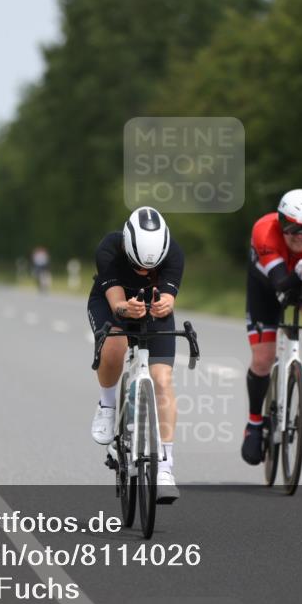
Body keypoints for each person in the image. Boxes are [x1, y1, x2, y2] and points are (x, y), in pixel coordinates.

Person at [87, 207, 184, 502]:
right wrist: (124, 309)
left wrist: (164, 304)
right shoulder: (109, 249)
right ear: (127, 247)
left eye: (149, 269)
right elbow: (116, 301)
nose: (143, 272)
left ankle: (165, 466)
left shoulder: (174, 253)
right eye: (136, 265)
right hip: (112, 303)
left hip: (151, 307)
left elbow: (167, 297)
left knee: (162, 380)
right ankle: (107, 405)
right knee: (115, 342)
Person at [242, 189, 302, 465]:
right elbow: (281, 286)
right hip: (267, 285)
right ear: (280, 222)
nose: (300, 235)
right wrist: (298, 273)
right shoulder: (264, 230)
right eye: (292, 227)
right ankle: (254, 423)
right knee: (263, 358)